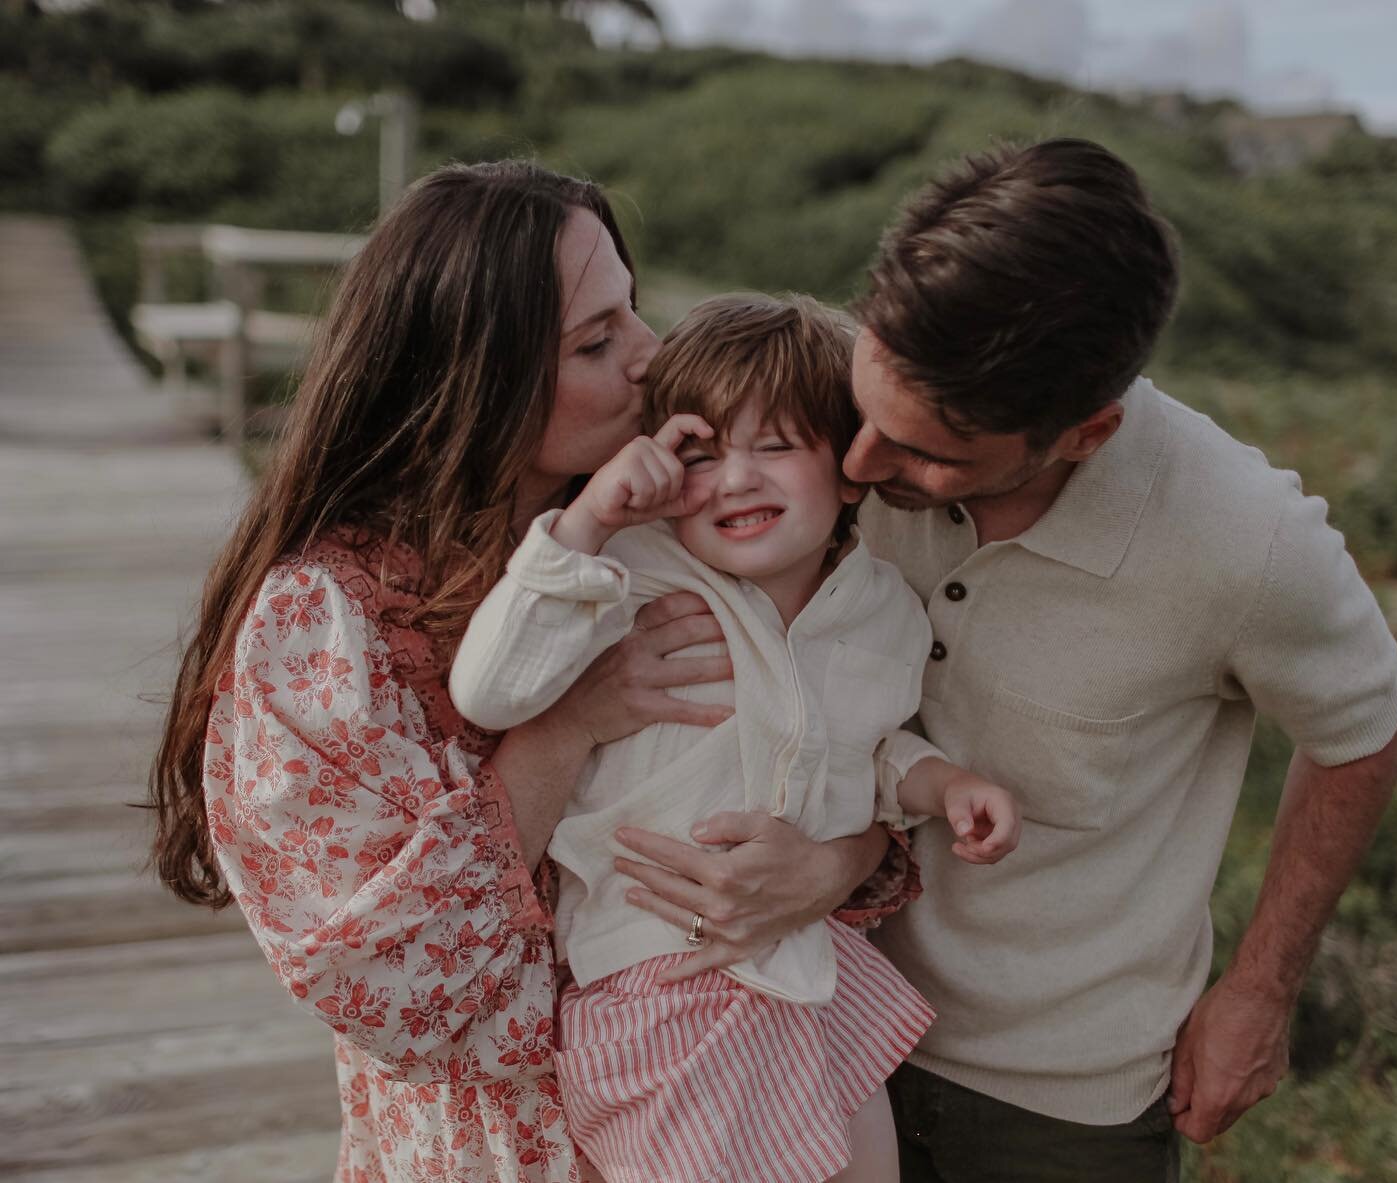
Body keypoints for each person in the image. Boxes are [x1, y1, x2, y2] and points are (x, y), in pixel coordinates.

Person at [147, 162, 911, 1183]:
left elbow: (818, 734)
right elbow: (389, 980)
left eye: (633, 311)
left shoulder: (680, 534)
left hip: (745, 1104)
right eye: (597, 340)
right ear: (476, 374)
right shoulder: (327, 621)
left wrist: (837, 862)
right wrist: (566, 728)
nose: (649, 357)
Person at [841, 137, 1397, 1183]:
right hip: (813, 1033)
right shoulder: (837, 418)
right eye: (866, 407)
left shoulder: (1248, 544)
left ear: (1084, 433)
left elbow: (1363, 730)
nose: (856, 464)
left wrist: (1261, 987)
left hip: (1058, 1111)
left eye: (925, 452)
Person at [449, 293, 1021, 1183]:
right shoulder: (629, 579)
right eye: (701, 452)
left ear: (850, 467)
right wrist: (591, 519)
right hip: (662, 989)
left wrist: (941, 785)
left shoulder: (882, 612)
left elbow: (867, 753)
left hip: (810, 970)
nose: (734, 479)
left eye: (777, 445)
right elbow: (489, 690)